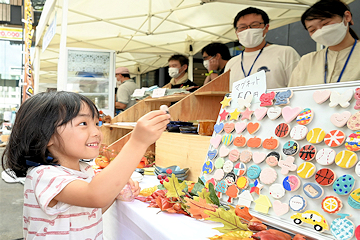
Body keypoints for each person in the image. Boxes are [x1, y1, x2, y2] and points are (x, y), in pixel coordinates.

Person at [1, 91, 169, 239]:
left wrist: (115, 188)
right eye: (83, 124)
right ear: (47, 136)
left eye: (97, 123)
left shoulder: (84, 169)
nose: (96, 132)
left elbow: (90, 211)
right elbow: (95, 196)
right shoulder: (43, 175)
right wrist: (138, 142)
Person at [225, 7, 300, 90]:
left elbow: (299, 88)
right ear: (236, 32)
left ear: (266, 27)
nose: (248, 30)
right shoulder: (231, 63)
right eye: (242, 27)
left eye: (254, 25)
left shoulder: (285, 53)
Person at [288, 0, 359, 87]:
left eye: (325, 24)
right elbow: (293, 95)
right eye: (312, 30)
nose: (320, 31)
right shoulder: (307, 61)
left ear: (347, 17)